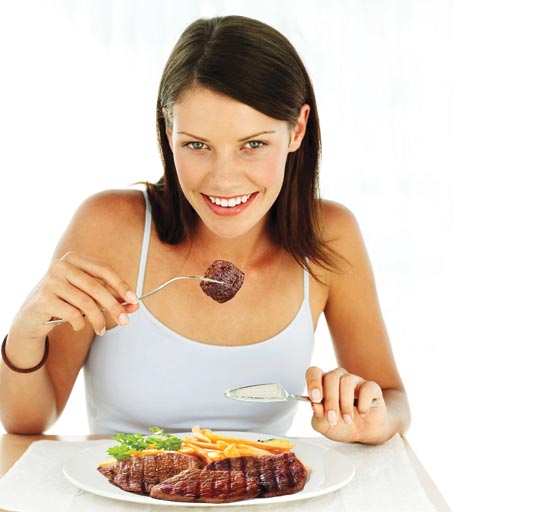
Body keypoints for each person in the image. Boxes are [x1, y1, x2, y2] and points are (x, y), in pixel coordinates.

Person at [0, 15, 409, 445]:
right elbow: (27, 420)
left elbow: (393, 399)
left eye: (254, 144)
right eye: (196, 145)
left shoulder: (330, 235)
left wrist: (373, 418)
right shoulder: (109, 228)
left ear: (298, 129)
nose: (224, 180)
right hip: (120, 484)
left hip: (266, 486)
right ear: (168, 129)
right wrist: (26, 330)